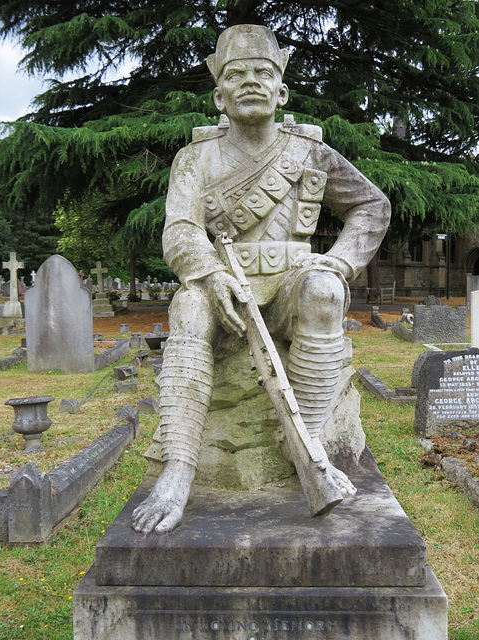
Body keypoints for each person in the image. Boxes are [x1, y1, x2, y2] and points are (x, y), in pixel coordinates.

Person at [132, 24, 390, 536]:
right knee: (187, 305)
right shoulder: (194, 160)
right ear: (218, 93)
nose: (250, 82)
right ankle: (179, 469)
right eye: (236, 74)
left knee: (325, 291)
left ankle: (308, 450)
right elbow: (180, 232)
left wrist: (337, 262)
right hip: (223, 292)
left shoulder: (308, 152)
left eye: (263, 73)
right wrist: (208, 275)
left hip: (288, 289)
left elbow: (371, 206)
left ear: (282, 89)